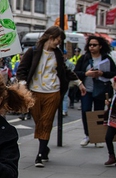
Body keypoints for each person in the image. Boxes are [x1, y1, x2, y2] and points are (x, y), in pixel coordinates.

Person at [16, 26, 84, 167]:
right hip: (34, 92)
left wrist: (79, 82)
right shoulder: (33, 52)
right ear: (50, 37)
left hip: (53, 92)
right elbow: (22, 70)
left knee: (46, 122)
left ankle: (40, 155)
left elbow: (65, 70)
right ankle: (44, 147)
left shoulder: (57, 54)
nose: (58, 43)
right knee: (39, 122)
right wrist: (22, 84)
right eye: (57, 39)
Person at [74, 36, 116, 146]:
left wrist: (102, 73)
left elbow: (114, 72)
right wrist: (86, 74)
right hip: (86, 90)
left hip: (100, 89)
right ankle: (88, 135)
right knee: (86, 111)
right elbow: (75, 73)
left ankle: (97, 137)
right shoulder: (84, 58)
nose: (92, 47)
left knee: (99, 112)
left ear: (100, 46)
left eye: (94, 45)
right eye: (90, 45)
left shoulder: (106, 58)